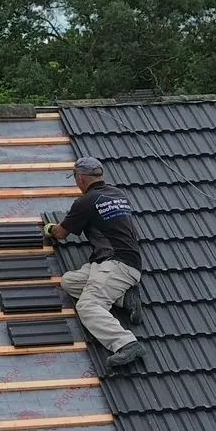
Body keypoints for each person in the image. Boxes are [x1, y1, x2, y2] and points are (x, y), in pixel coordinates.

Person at [45, 156, 147, 368]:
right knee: (69, 282)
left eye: (75, 178)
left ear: (81, 178)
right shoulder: (118, 194)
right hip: (121, 261)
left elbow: (61, 233)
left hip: (116, 263)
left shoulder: (85, 202)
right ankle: (124, 298)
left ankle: (126, 343)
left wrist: (49, 228)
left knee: (87, 305)